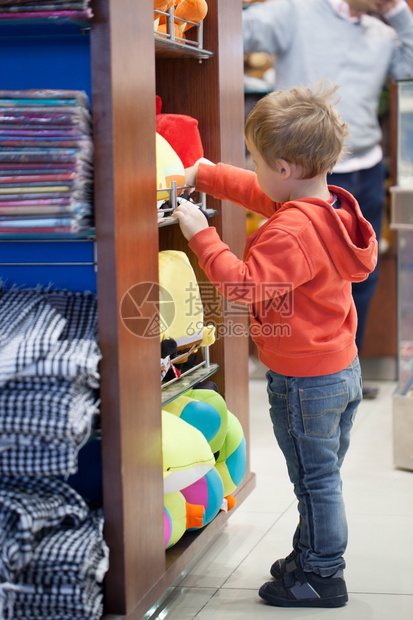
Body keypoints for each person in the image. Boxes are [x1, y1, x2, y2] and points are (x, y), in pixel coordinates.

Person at [172, 83, 377, 608]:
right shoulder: (324, 208)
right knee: (319, 474)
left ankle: (323, 575)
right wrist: (208, 174)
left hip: (306, 381)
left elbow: (243, 285)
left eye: (256, 160)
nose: (254, 169)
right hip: (338, 368)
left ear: (284, 167)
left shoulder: (292, 233)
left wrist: (201, 234)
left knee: (316, 482)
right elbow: (259, 194)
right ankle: (311, 554)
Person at [242, 0, 413, 399]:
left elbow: (409, 71)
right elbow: (235, 33)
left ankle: (345, 366)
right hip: (299, 172)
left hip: (365, 168)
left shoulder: (384, 32)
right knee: (300, 276)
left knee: (358, 274)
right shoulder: (295, 12)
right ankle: (303, 374)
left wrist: (399, 14)